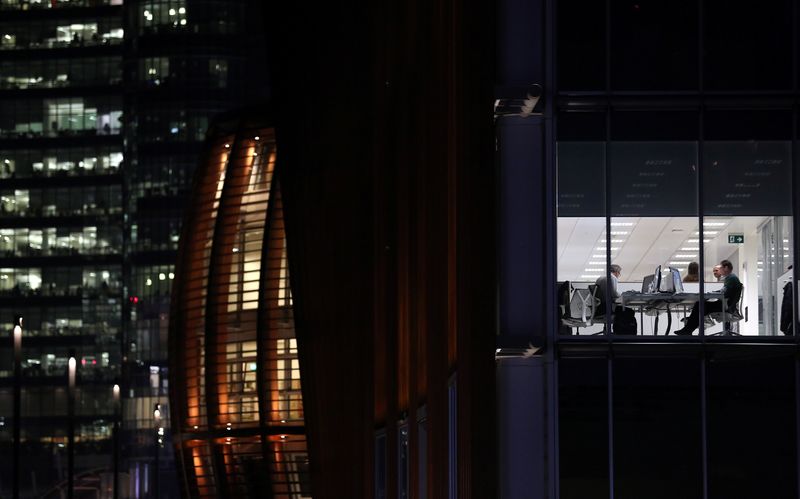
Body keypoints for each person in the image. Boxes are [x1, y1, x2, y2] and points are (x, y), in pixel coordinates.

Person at [674, 259, 742, 335]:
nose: (720, 270)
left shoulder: (731, 278)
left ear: (726, 268)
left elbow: (724, 293)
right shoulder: (731, 278)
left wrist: (712, 294)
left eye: (721, 268)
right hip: (726, 304)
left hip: (725, 306)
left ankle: (688, 329)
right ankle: (688, 329)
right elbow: (724, 291)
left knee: (699, 305)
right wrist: (713, 293)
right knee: (699, 306)